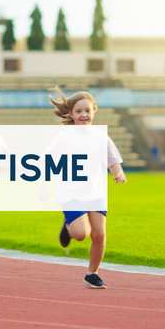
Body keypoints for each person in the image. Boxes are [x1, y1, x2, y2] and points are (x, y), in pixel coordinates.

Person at [50, 89, 126, 289]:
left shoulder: (101, 136)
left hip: (96, 193)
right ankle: (69, 226)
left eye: (87, 110)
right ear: (71, 114)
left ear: (94, 111)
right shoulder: (64, 136)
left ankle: (92, 273)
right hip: (71, 193)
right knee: (81, 234)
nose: (83, 115)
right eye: (79, 111)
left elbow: (113, 159)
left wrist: (118, 173)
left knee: (99, 234)